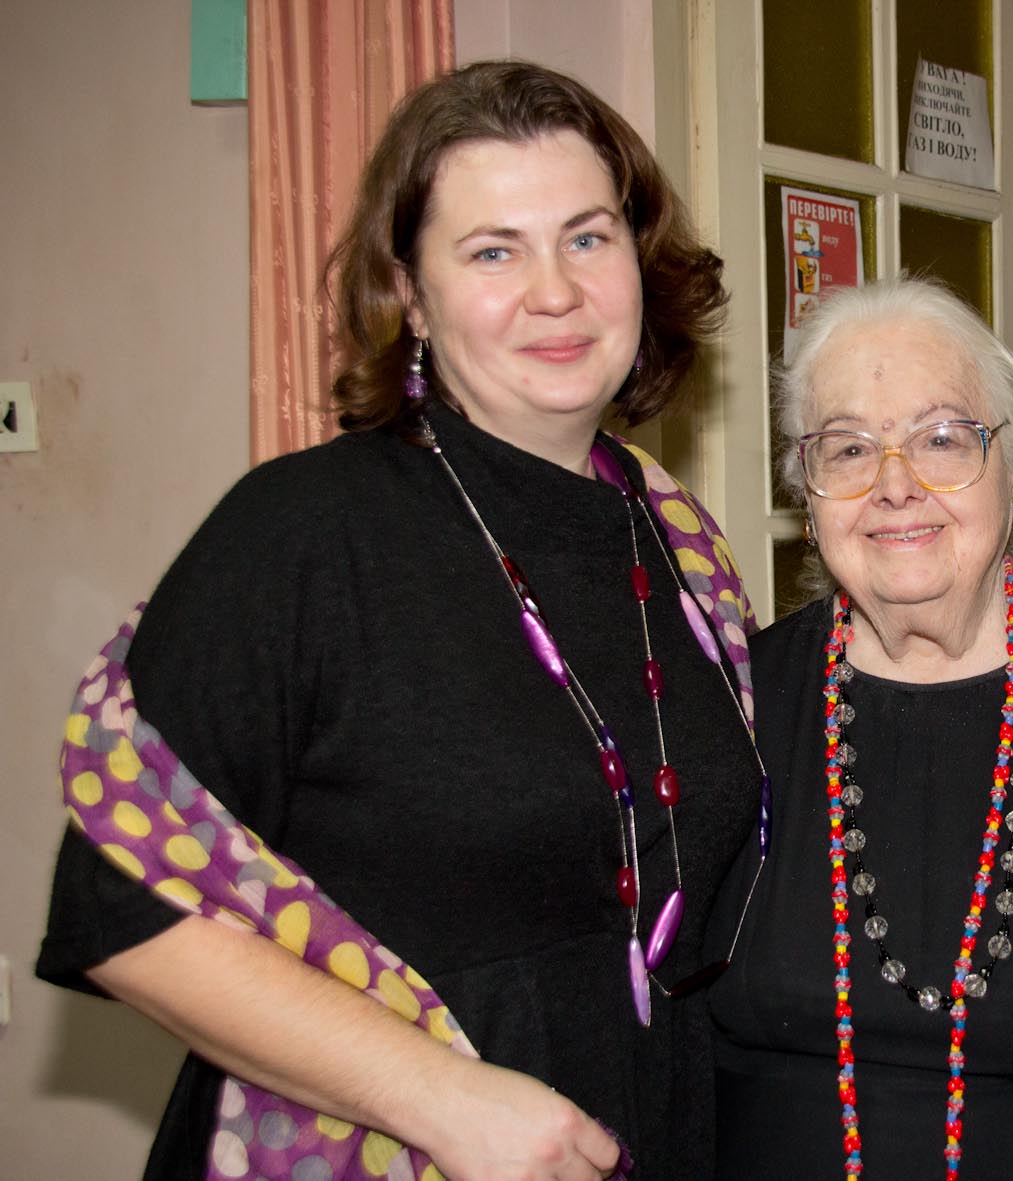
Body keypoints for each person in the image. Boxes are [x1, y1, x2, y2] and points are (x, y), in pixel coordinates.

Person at [39, 61, 765, 1181]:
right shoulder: (303, 532)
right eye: (493, 252)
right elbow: (117, 907)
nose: (556, 291)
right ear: (412, 298)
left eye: (587, 237)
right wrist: (441, 1100)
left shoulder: (677, 541)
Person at [709, 278, 1013, 1178]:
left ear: (1010, 473)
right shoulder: (732, 705)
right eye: (848, 448)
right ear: (806, 493)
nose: (895, 485)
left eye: (942, 437)